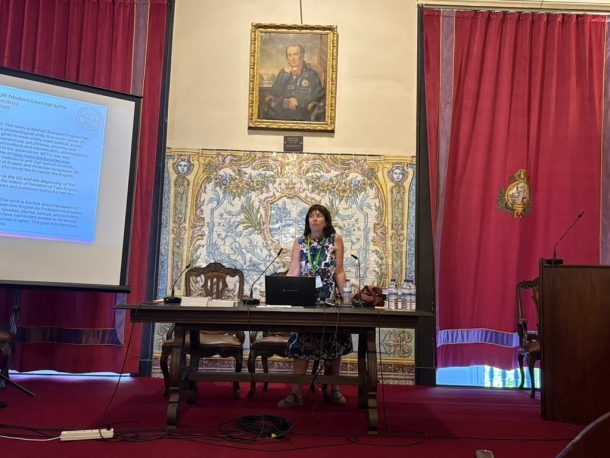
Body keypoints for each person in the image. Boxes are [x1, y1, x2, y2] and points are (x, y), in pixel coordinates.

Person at [277, 204, 353, 408]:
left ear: (326, 221)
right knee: (301, 342)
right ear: (307, 221)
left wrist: (347, 299)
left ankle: (335, 388)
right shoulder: (300, 242)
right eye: (311, 216)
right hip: (305, 300)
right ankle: (296, 393)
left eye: (319, 216)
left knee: (335, 342)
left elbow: (339, 271)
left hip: (330, 299)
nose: (315, 219)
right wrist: (278, 294)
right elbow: (293, 271)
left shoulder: (335, 239)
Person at [264, 44, 325, 121]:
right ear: (287, 57)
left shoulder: (311, 73)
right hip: (282, 111)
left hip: (303, 111)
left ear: (302, 55)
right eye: (289, 55)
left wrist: (299, 101)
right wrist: (285, 74)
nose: (292, 58)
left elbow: (319, 94)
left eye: (296, 54)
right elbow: (275, 93)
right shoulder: (283, 72)